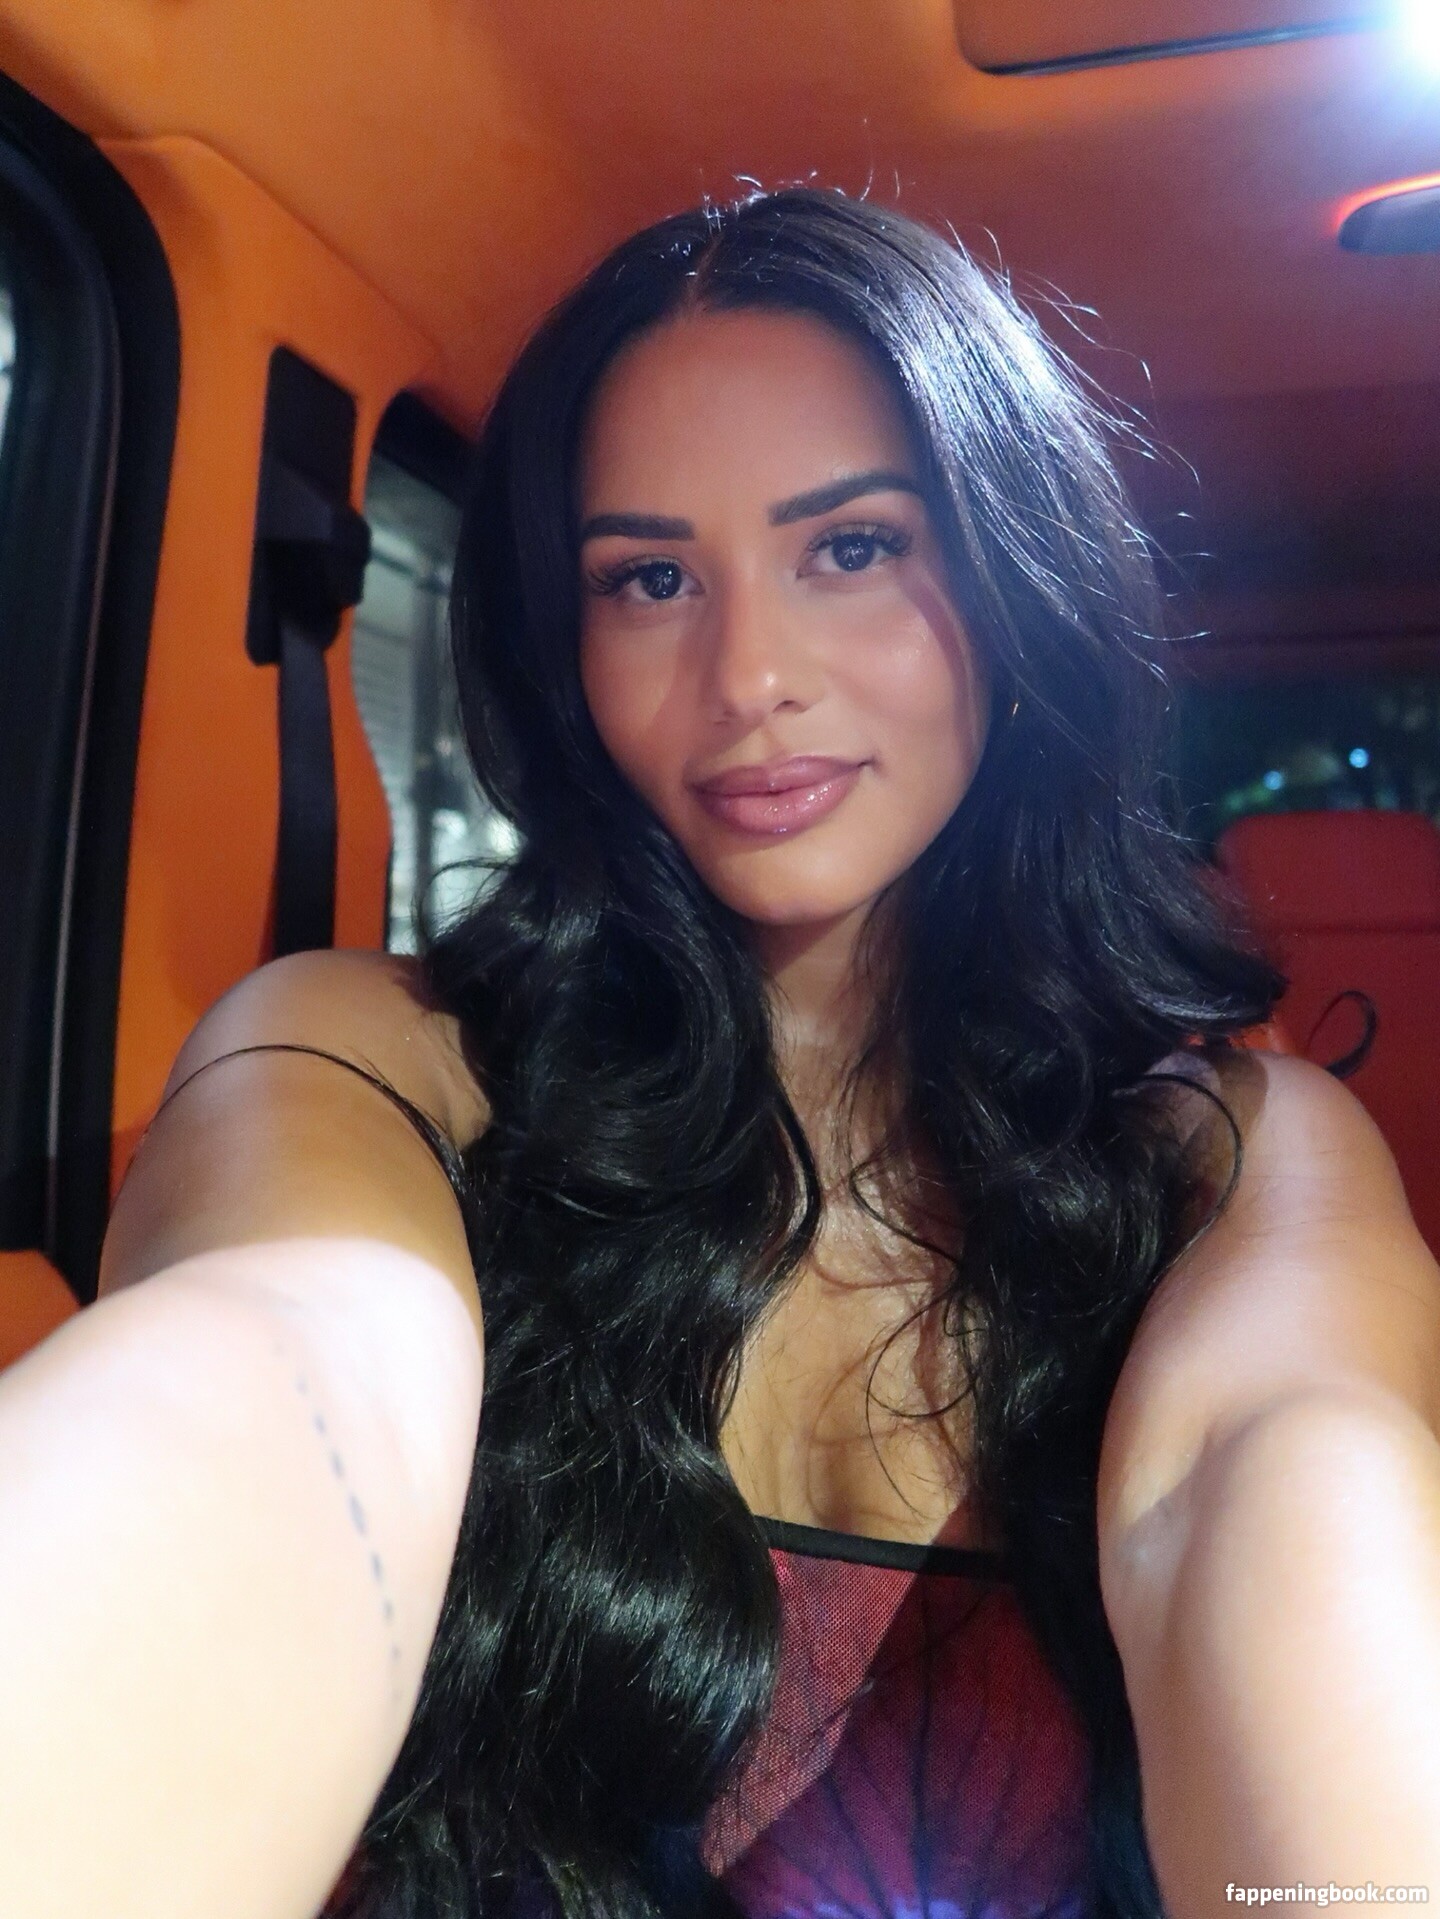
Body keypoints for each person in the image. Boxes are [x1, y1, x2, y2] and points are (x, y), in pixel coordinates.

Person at [3, 188, 1439, 1919]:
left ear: (1013, 583)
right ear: (563, 644)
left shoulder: (1235, 1150)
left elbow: (1280, 1488)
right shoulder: (372, 1059)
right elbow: (281, 1367)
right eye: (652, 578)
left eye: (852, 548)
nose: (749, 674)